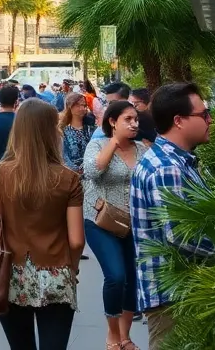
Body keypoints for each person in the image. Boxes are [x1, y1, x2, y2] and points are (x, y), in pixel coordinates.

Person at [132, 82, 215, 348]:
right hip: (175, 297)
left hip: (180, 293)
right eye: (204, 114)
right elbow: (181, 236)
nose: (210, 119)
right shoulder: (167, 168)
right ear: (179, 121)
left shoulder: (174, 161)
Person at [0, 98, 84, 350]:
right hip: (56, 271)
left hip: (10, 274)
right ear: (50, 132)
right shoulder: (68, 178)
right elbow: (76, 240)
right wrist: (72, 268)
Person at [83, 100, 145, 350]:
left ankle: (125, 336)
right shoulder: (97, 145)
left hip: (132, 224)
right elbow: (92, 171)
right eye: (128, 119)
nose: (134, 124)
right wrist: (113, 143)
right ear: (112, 121)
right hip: (101, 221)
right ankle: (112, 334)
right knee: (116, 276)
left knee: (133, 278)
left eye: (136, 119)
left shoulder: (142, 149)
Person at [59, 92, 96, 172]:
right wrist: (76, 171)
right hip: (72, 172)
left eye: (84, 105)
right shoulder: (62, 130)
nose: (82, 108)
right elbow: (63, 155)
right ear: (69, 106)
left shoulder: (91, 128)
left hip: (91, 170)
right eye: (78, 105)